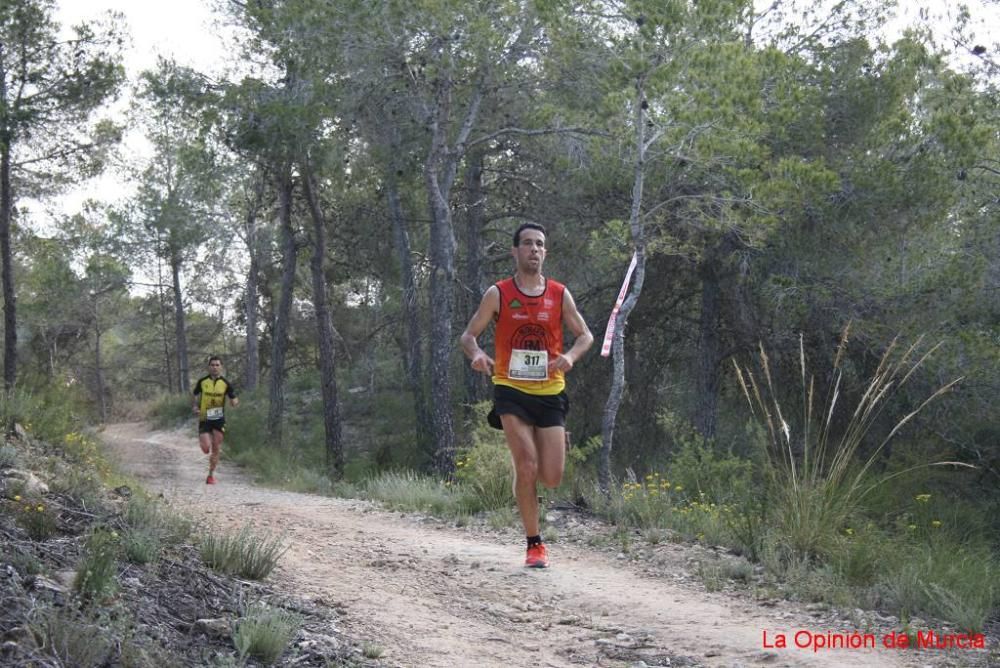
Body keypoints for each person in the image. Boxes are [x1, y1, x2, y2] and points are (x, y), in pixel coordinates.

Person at [460, 222, 593, 568]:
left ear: (545, 252)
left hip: (550, 392)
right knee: (527, 465)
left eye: (540, 245)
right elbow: (468, 336)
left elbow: (585, 336)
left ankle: (555, 437)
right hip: (510, 389)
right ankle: (534, 544)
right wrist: (477, 355)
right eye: (528, 244)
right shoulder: (498, 293)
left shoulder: (559, 294)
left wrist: (569, 357)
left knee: (551, 478)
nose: (535, 249)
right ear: (515, 251)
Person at [192, 355, 239, 485]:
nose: (215, 367)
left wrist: (234, 402)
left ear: (221, 367)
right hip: (205, 417)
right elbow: (195, 394)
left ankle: (211, 475)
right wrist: (195, 406)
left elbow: (233, 398)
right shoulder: (202, 381)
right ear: (209, 367)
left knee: (216, 448)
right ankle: (204, 444)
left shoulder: (225, 383)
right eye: (212, 365)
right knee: (206, 447)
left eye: (217, 365)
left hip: (218, 418)